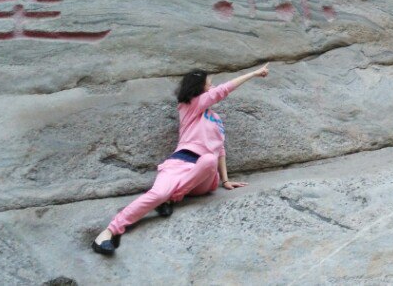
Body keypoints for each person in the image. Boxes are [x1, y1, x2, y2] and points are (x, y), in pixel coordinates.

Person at [91, 63, 269, 254]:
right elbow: (222, 91)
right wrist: (253, 73)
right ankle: (109, 232)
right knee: (157, 194)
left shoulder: (216, 118)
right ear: (198, 88)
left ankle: (172, 198)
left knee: (209, 159)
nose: (213, 86)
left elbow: (220, 150)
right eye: (209, 84)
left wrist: (225, 180)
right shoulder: (189, 107)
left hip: (202, 176)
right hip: (177, 164)